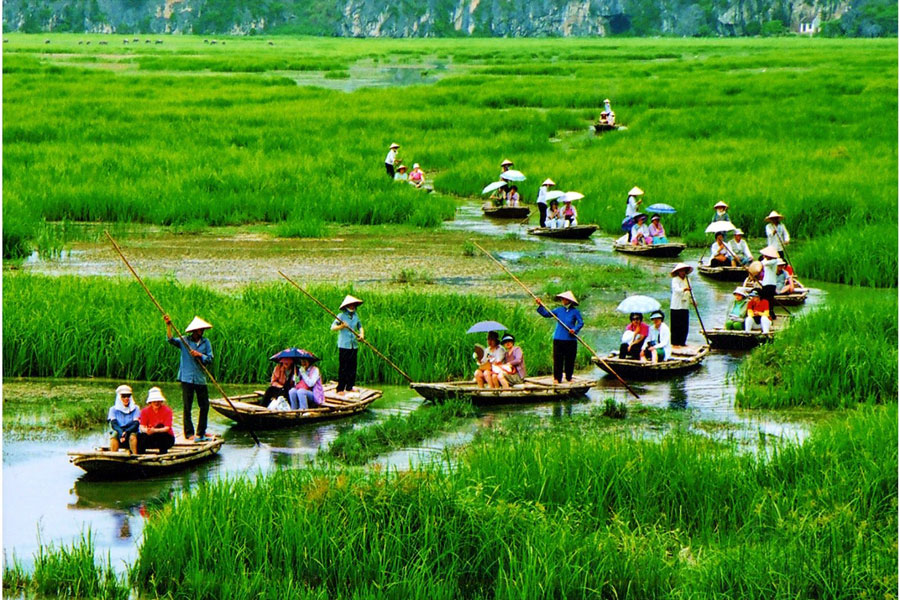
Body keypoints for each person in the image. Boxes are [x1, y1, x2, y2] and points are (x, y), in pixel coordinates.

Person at [165, 315, 213, 442]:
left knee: (204, 406)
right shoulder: (184, 341)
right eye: (199, 329)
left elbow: (210, 359)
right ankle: (189, 433)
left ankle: (201, 432)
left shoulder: (206, 342)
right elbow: (170, 340)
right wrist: (168, 325)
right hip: (186, 378)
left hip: (200, 378)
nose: (201, 331)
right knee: (187, 406)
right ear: (194, 330)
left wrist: (200, 355)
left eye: (202, 329)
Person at [536, 291, 583, 384]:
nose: (562, 300)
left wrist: (574, 329)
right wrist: (540, 305)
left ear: (569, 301)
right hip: (558, 339)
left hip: (570, 339)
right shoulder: (558, 310)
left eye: (564, 299)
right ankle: (557, 378)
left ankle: (569, 377)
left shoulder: (575, 312)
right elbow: (546, 314)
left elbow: (581, 323)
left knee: (570, 359)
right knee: (558, 359)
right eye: (562, 299)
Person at [331, 295, 364, 396]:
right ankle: (340, 388)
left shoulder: (355, 316)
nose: (352, 306)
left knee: (352, 367)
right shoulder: (341, 316)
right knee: (344, 367)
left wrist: (361, 335)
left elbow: (360, 326)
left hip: (354, 345)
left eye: (353, 305)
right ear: (346, 306)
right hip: (344, 345)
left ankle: (349, 386)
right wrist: (342, 326)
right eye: (350, 305)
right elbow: (332, 328)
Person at [138, 387, 175, 454]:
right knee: (141, 436)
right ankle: (140, 454)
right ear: (150, 402)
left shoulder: (167, 411)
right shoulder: (144, 411)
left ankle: (163, 454)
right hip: (152, 436)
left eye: (158, 401)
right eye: (154, 401)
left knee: (160, 427)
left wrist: (155, 430)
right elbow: (142, 426)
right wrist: (147, 431)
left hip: (166, 438)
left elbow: (167, 428)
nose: (156, 403)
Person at [108, 384, 140, 453]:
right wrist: (121, 432)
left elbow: (136, 424)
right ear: (120, 397)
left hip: (131, 430)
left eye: (128, 396)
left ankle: (135, 456)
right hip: (119, 429)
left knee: (132, 437)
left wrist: (127, 432)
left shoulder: (135, 408)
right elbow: (114, 424)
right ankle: (113, 456)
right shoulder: (113, 409)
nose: (126, 398)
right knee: (114, 435)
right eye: (124, 396)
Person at [670, 263, 693, 347]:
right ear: (678, 272)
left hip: (685, 304)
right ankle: (675, 342)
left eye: (684, 270)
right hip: (676, 305)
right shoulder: (675, 280)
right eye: (681, 271)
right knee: (676, 325)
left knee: (684, 325)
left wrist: (693, 300)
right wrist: (684, 289)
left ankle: (682, 341)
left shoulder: (688, 280)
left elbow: (691, 291)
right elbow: (676, 290)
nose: (683, 272)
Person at [759, 246, 780, 321]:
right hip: (765, 282)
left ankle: (770, 313)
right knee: (764, 298)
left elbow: (763, 263)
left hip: (771, 283)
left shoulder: (774, 261)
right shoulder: (766, 261)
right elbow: (762, 263)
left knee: (769, 299)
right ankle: (765, 312)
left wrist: (763, 260)